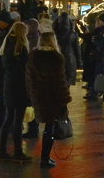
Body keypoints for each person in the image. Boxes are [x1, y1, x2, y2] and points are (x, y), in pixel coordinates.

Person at [26, 30, 71, 168]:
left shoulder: (33, 56)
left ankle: (45, 158)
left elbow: (29, 78)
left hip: (39, 96)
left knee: (43, 125)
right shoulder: (56, 57)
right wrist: (64, 100)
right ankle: (45, 158)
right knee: (50, 127)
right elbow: (60, 81)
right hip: (53, 97)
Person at [0, 21, 31, 161]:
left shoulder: (6, 45)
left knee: (8, 118)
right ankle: (17, 151)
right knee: (18, 120)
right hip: (20, 86)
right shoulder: (21, 46)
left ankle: (2, 149)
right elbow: (25, 67)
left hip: (9, 84)